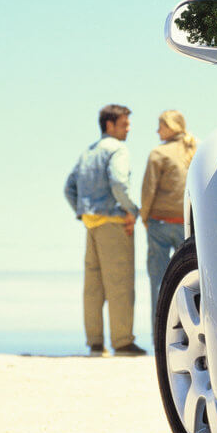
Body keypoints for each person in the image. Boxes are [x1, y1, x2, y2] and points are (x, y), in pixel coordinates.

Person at [64, 104, 147, 357]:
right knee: (120, 283)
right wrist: (132, 210)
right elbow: (119, 183)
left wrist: (84, 211)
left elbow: (69, 188)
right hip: (113, 222)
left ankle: (95, 343)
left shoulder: (88, 152)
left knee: (93, 287)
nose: (128, 129)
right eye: (124, 124)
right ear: (109, 125)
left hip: (91, 223)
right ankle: (122, 342)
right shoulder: (118, 149)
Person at [140, 110, 196, 319]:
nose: (157, 131)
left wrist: (144, 218)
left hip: (160, 224)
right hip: (189, 225)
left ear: (171, 126)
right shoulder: (197, 146)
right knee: (191, 281)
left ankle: (159, 337)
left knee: (158, 281)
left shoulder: (158, 153)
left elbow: (148, 191)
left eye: (160, 126)